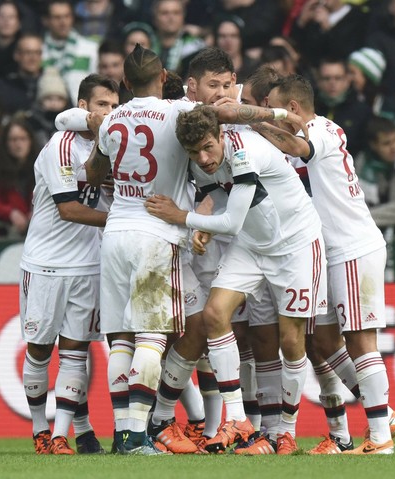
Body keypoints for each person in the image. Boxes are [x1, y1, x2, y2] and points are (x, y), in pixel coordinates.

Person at [86, 44, 308, 455]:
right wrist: (278, 114)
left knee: (124, 339)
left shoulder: (112, 118)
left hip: (117, 230)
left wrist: (116, 168)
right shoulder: (175, 112)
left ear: (126, 83)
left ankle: (128, 431)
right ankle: (142, 434)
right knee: (154, 337)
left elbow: (93, 173)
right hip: (158, 233)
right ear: (165, 77)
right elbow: (225, 115)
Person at [144, 104, 327, 455]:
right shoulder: (205, 160)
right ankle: (239, 420)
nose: (203, 157)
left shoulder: (243, 151)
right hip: (253, 246)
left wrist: (183, 217)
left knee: (291, 340)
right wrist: (202, 219)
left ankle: (285, 433)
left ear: (221, 136)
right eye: (194, 152)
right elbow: (218, 193)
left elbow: (232, 223)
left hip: (296, 246)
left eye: (208, 147)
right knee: (214, 315)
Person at [247, 74, 395, 455]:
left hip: (351, 247)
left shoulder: (322, 130)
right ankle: (384, 417)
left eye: (274, 109)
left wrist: (252, 121)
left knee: (361, 340)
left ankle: (381, 436)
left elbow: (299, 147)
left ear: (294, 109)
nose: (269, 116)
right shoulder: (306, 135)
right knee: (320, 340)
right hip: (323, 252)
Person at [19, 74, 118, 455]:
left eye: (113, 106)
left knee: (77, 351)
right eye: (101, 105)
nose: (108, 112)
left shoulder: (114, 146)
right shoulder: (60, 147)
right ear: (82, 107)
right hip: (45, 264)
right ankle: (39, 429)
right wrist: (122, 219)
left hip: (88, 265)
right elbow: (69, 209)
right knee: (40, 350)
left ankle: (62, 436)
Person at [0, 116, 38, 234]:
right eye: (13, 139)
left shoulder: (42, 167)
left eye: (23, 139)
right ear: (5, 143)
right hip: (5, 232)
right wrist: (10, 213)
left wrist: (38, 211)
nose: (18, 144)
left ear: (31, 141)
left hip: (38, 232)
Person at [42, 0, 98, 104]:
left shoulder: (90, 48)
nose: (63, 22)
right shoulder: (38, 50)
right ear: (46, 20)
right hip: (48, 112)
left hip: (81, 112)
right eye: (57, 17)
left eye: (67, 16)